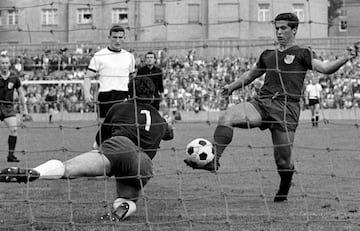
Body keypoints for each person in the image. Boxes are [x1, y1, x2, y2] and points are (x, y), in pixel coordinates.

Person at [184, 12, 358, 202]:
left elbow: (325, 68)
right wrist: (232, 87)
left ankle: (284, 186)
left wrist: (345, 58)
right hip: (262, 103)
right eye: (277, 28)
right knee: (228, 116)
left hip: (286, 109)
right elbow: (250, 75)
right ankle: (213, 159)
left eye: (284, 28)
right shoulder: (268, 55)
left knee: (283, 161)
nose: (279, 32)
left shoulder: (303, 53)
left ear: (294, 30)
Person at [0, 76, 174, 221]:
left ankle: (37, 172)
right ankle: (118, 213)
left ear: (129, 92)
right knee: (127, 200)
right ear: (153, 96)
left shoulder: (119, 107)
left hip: (120, 147)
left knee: (68, 168)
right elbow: (169, 134)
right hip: (143, 166)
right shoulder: (160, 120)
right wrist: (166, 124)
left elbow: (99, 141)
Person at [83, 24, 136, 119]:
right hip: (105, 95)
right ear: (109, 37)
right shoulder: (99, 55)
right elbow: (88, 77)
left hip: (123, 96)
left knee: (123, 128)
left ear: (124, 38)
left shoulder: (129, 56)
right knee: (105, 129)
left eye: (120, 37)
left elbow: (133, 78)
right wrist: (87, 94)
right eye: (114, 37)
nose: (117, 40)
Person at [0, 55, 28, 162]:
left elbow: (20, 93)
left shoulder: (14, 77)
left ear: (10, 64)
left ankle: (10, 156)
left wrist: (24, 110)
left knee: (14, 129)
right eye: (2, 63)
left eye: (6, 63)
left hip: (8, 107)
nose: (5, 65)